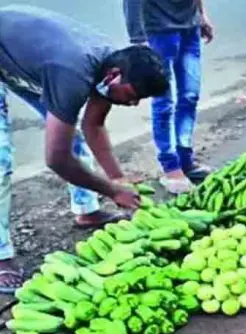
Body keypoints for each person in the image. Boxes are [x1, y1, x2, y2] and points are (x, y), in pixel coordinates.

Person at [0, 5, 169, 291]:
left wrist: (118, 179)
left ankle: (86, 210)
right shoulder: (74, 74)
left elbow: (94, 126)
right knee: (1, 159)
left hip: (26, 56)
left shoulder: (109, 71)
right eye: (133, 96)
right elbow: (56, 159)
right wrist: (113, 192)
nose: (132, 104)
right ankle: (1, 256)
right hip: (13, 51)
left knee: (73, 136)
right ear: (115, 75)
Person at [123, 0, 215, 194]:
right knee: (164, 102)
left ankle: (185, 159)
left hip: (190, 26)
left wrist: (202, 15)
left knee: (190, 96)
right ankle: (170, 167)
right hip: (159, 30)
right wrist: (138, 40)